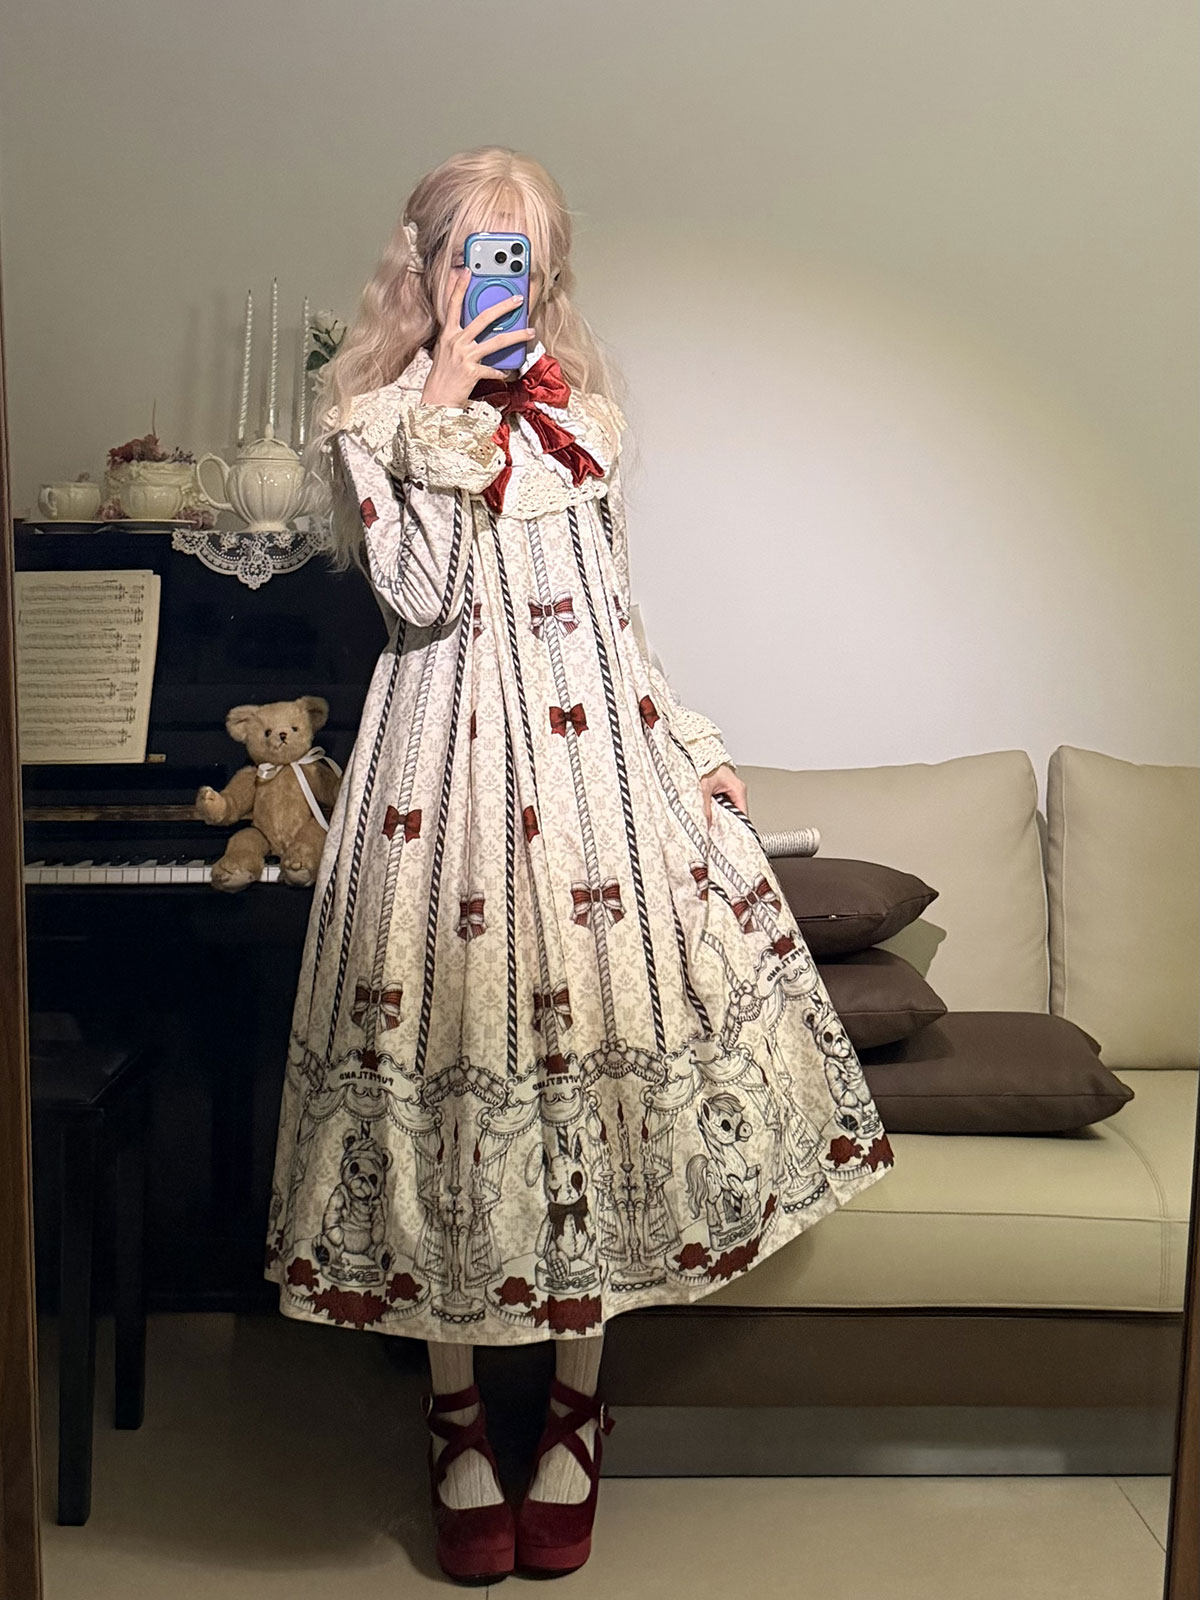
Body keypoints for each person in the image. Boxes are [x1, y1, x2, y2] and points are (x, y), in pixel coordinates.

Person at [263, 145, 896, 1584]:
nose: (504, 279)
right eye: (474, 253)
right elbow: (420, 597)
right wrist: (437, 404)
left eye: (524, 255)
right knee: (442, 1075)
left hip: (595, 786)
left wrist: (692, 746)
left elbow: (618, 620)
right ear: (425, 269)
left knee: (596, 1088)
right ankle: (454, 1419)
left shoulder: (583, 424)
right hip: (440, 792)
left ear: (547, 273)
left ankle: (575, 1413)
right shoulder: (371, 422)